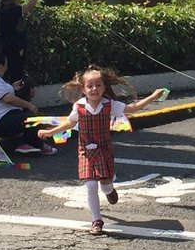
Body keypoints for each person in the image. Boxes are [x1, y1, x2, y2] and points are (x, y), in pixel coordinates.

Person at [37, 66, 164, 234]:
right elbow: (70, 123)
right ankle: (97, 221)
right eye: (90, 86)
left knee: (105, 185)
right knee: (90, 184)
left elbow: (132, 109)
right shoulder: (79, 106)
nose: (94, 89)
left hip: (104, 149)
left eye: (98, 85)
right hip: (86, 151)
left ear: (104, 87)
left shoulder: (109, 105)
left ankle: (109, 191)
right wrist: (50, 132)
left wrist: (153, 96)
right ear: (83, 89)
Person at [0, 50, 52, 156]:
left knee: (33, 117)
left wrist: (12, 87)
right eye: (6, 65)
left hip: (2, 117)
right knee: (30, 118)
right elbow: (8, 99)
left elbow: (2, 92)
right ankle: (31, 145)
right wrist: (29, 105)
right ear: (0, 66)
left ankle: (33, 144)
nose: (7, 68)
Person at [0, 0, 39, 86]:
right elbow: (29, 6)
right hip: (14, 48)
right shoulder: (12, 11)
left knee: (9, 71)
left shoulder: (4, 8)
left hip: (7, 46)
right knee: (16, 73)